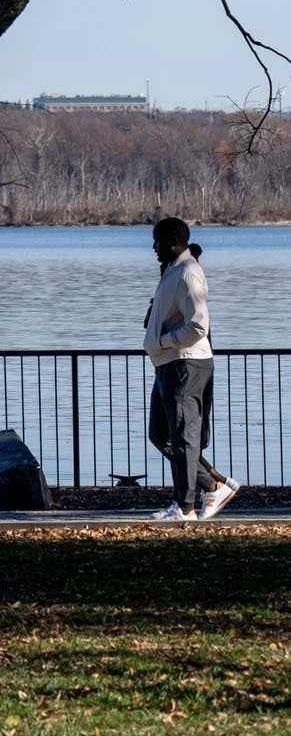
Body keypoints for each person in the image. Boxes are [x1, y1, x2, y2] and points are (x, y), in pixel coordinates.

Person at [144, 217, 239, 523]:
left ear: (173, 240)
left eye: (157, 240)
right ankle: (213, 486)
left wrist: (163, 341)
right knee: (161, 434)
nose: (153, 246)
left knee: (183, 438)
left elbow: (198, 326)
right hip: (167, 363)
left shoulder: (188, 273)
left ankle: (186, 508)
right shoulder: (172, 271)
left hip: (184, 363)